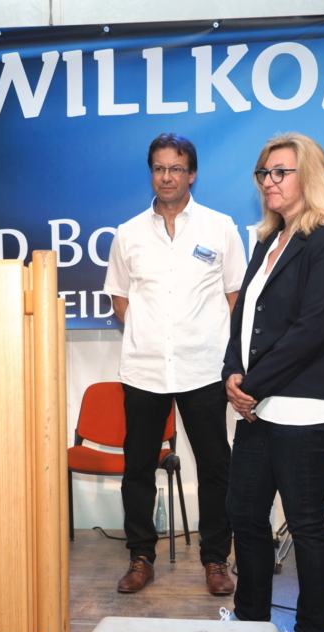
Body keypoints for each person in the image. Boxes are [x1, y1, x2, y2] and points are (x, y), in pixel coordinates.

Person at [220, 133, 324, 632]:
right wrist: (232, 373)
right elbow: (243, 319)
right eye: (264, 173)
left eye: (281, 171)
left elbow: (311, 328)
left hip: (305, 405)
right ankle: (252, 622)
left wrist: (251, 384)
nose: (269, 182)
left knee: (305, 524)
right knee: (245, 514)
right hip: (260, 403)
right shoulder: (268, 241)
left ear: (310, 176)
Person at [103, 133, 247, 595]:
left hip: (203, 368)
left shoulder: (219, 227)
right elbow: (120, 297)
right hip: (144, 370)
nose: (167, 177)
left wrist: (221, 350)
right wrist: (148, 333)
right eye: (159, 168)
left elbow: (235, 297)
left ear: (192, 174)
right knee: (138, 468)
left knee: (215, 467)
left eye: (176, 168)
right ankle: (140, 557)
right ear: (152, 173)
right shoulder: (128, 233)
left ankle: (216, 560)